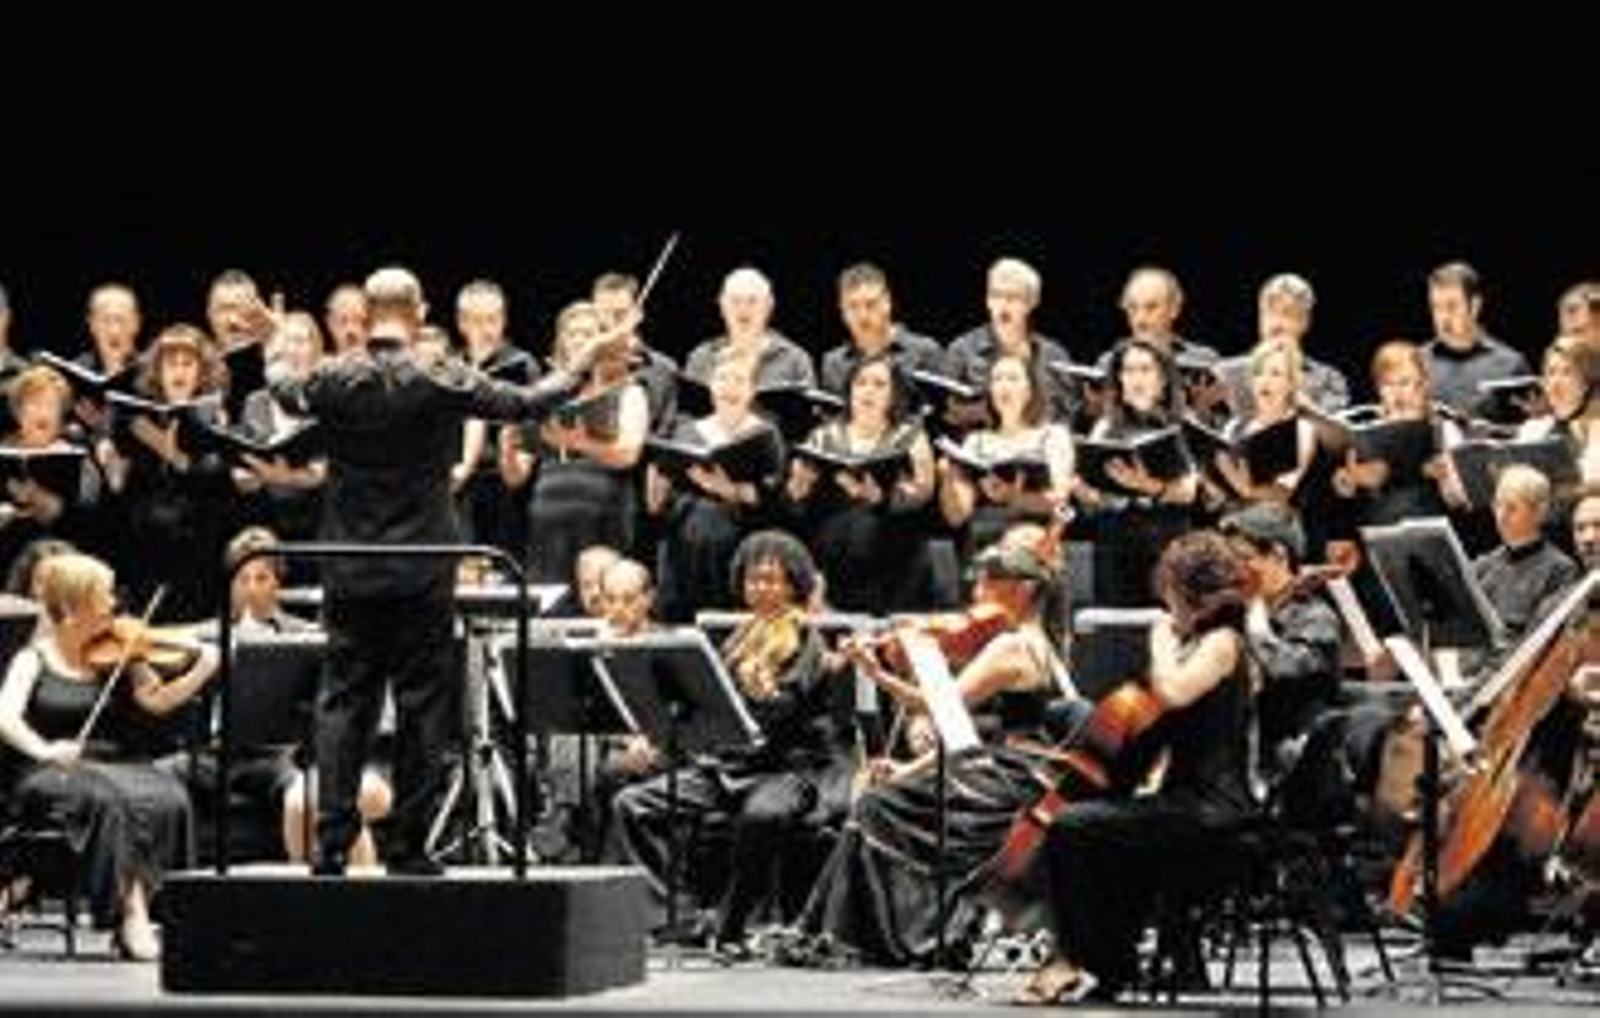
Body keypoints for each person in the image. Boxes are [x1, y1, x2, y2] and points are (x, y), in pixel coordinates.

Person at [265, 264, 629, 877]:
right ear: (420, 313)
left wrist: (276, 343)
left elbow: (281, 389)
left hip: (352, 565)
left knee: (344, 701)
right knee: (422, 704)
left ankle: (330, 846)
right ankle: (408, 846)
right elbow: (525, 403)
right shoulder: (441, 373)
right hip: (423, 566)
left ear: (367, 313)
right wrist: (585, 360)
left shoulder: (333, 375)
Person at [789, 521, 1074, 968]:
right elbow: (973, 739)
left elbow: (937, 705)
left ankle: (872, 935)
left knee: (877, 805)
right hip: (1018, 773)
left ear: (1021, 590)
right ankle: (833, 931)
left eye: (988, 582)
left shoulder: (1013, 646)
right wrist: (907, 770)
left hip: (1012, 784)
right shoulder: (1048, 642)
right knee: (885, 792)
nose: (976, 592)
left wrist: (875, 672)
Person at [1021, 529, 1255, 1004]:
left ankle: (1086, 961)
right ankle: (1110, 963)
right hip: (1186, 800)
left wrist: (1160, 641)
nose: (1165, 605)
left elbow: (1174, 692)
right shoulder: (1198, 642)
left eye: (1170, 593)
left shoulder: (1223, 641)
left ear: (1186, 591)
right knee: (1096, 830)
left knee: (1070, 827)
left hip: (1213, 810)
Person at [608, 529, 839, 958]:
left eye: (772, 580)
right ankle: (677, 917)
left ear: (793, 584)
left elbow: (782, 710)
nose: (761, 588)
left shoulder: (807, 639)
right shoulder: (739, 638)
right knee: (633, 804)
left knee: (761, 816)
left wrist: (766, 695)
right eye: (753, 579)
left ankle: (731, 925)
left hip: (788, 769)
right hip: (729, 768)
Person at [0, 551, 221, 960]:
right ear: (73, 606)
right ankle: (131, 916)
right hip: (52, 770)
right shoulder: (32, 659)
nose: (114, 604)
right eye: (103, 595)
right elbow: (5, 717)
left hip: (115, 762)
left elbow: (156, 700)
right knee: (109, 802)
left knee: (169, 795)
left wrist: (202, 669)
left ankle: (160, 909)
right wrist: (44, 748)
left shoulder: (122, 649)